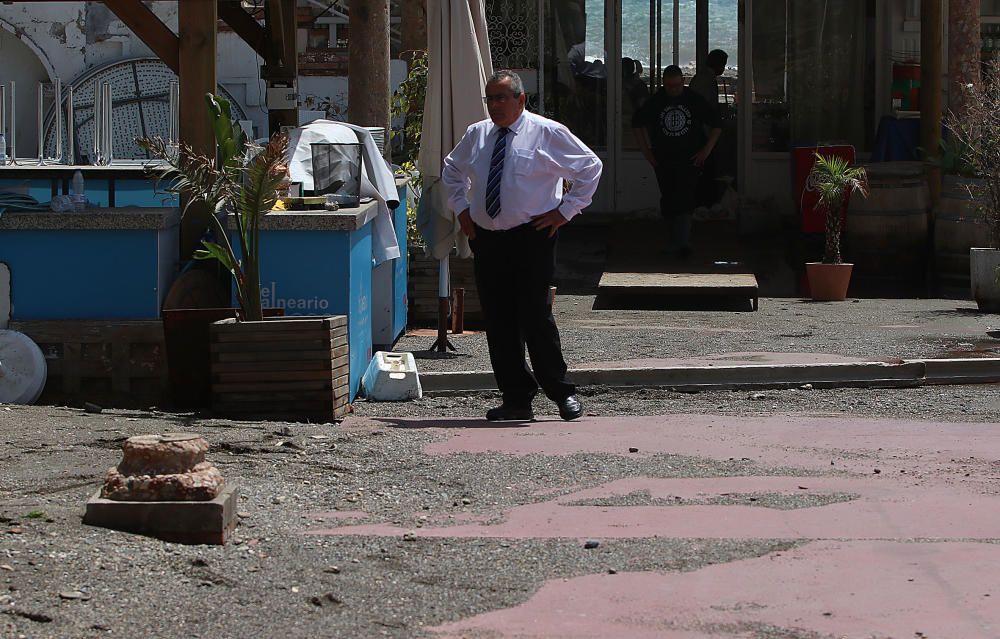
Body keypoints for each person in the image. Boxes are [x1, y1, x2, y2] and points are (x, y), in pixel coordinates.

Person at [442, 70, 603, 422]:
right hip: (487, 238)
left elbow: (590, 167)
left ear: (521, 99)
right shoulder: (478, 134)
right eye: (491, 99)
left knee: (535, 316)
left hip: (531, 236)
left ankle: (562, 392)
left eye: (502, 98)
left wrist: (566, 211)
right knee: (498, 320)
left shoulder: (546, 132)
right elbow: (451, 169)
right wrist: (462, 210)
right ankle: (516, 397)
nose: (495, 106)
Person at [632, 65, 721, 257]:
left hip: (690, 158)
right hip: (663, 159)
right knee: (669, 198)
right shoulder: (656, 101)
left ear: (683, 81)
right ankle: (674, 240)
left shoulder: (694, 100)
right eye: (669, 86)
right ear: (664, 83)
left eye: (676, 86)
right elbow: (637, 124)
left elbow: (716, 125)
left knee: (686, 197)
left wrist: (706, 151)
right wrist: (647, 152)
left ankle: (683, 242)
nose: (673, 90)